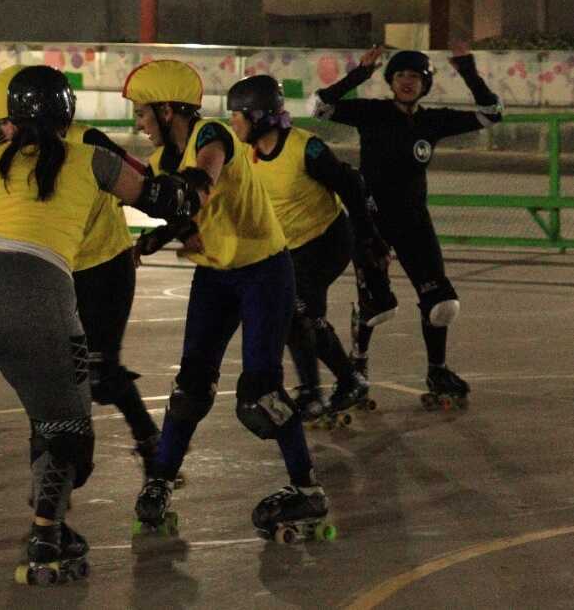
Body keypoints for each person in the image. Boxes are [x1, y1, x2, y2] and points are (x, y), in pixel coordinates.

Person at [0, 66, 197, 582]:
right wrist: (194, 187)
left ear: (12, 117)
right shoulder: (91, 158)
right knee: (63, 427)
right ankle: (46, 539)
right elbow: (162, 202)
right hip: (32, 290)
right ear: (65, 115)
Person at [123, 59, 330, 542]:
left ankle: (308, 489)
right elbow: (185, 211)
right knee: (190, 387)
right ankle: (159, 479)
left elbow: (204, 177)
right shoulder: (160, 163)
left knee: (260, 395)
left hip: (263, 271)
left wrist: (184, 202)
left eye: (142, 112)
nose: (138, 122)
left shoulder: (208, 133)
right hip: (216, 277)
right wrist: (158, 236)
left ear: (168, 109)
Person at [0, 65, 172, 492]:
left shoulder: (86, 140)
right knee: (52, 379)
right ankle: (52, 475)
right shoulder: (6, 156)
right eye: (2, 125)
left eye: (9, 124)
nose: (6, 133)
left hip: (105, 265)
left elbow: (139, 178)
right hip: (55, 274)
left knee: (101, 373)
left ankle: (152, 446)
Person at [312, 43, 503, 408]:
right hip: (371, 224)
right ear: (390, 81)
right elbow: (320, 106)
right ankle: (356, 369)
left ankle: (437, 369)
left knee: (442, 304)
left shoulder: (432, 121)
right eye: (399, 75)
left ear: (425, 83)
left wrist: (466, 68)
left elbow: (491, 113)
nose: (406, 82)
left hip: (414, 223)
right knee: (378, 306)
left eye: (415, 76)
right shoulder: (372, 113)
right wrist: (360, 74)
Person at [227, 75, 392, 423]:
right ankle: (315, 392)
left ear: (260, 117)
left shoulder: (306, 148)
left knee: (300, 310)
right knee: (292, 318)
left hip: (327, 241)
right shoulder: (245, 151)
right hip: (288, 247)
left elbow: (350, 184)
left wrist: (369, 237)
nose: (233, 122)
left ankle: (347, 382)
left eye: (238, 115)